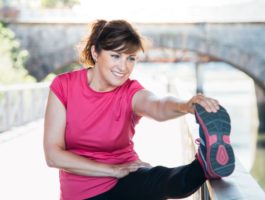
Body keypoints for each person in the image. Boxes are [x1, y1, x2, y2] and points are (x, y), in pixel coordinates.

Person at [43, 19, 235, 200]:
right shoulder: (64, 86)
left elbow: (157, 105)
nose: (124, 67)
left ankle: (205, 162)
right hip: (82, 193)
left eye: (131, 58)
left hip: (129, 176)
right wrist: (113, 170)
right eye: (115, 56)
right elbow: (53, 155)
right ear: (95, 53)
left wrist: (185, 105)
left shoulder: (129, 91)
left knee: (169, 181)